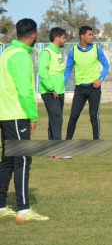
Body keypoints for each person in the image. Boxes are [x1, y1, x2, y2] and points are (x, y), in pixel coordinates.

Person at [0, 18, 49, 222]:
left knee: (8, 160)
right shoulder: (20, 56)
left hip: (5, 114)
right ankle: (23, 209)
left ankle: (1, 206)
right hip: (16, 114)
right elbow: (25, 91)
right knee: (22, 159)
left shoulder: (6, 53)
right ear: (34, 35)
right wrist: (33, 115)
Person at [64, 26, 110, 140]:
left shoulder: (96, 49)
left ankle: (96, 141)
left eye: (92, 34)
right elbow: (68, 70)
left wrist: (100, 79)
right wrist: (62, 85)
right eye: (90, 35)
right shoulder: (73, 51)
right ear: (82, 36)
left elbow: (106, 66)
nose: (92, 37)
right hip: (80, 89)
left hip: (94, 88)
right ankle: (67, 142)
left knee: (94, 117)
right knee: (73, 116)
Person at [38, 27, 71, 159]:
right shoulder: (46, 52)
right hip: (50, 92)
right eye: (63, 37)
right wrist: (52, 88)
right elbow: (42, 72)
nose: (65, 40)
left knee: (54, 120)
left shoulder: (57, 52)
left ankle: (51, 152)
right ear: (57, 38)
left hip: (59, 91)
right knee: (57, 119)